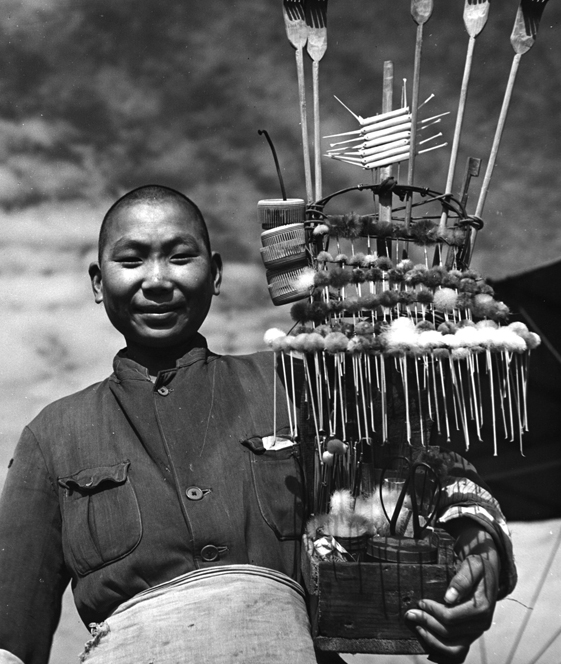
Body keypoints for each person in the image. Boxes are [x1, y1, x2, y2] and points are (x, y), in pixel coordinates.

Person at [0, 185, 516, 664]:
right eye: (131, 260)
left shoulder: (298, 381)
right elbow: (10, 635)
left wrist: (479, 546)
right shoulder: (53, 435)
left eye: (180, 257)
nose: (156, 281)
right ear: (98, 282)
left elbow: (426, 479)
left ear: (217, 273)